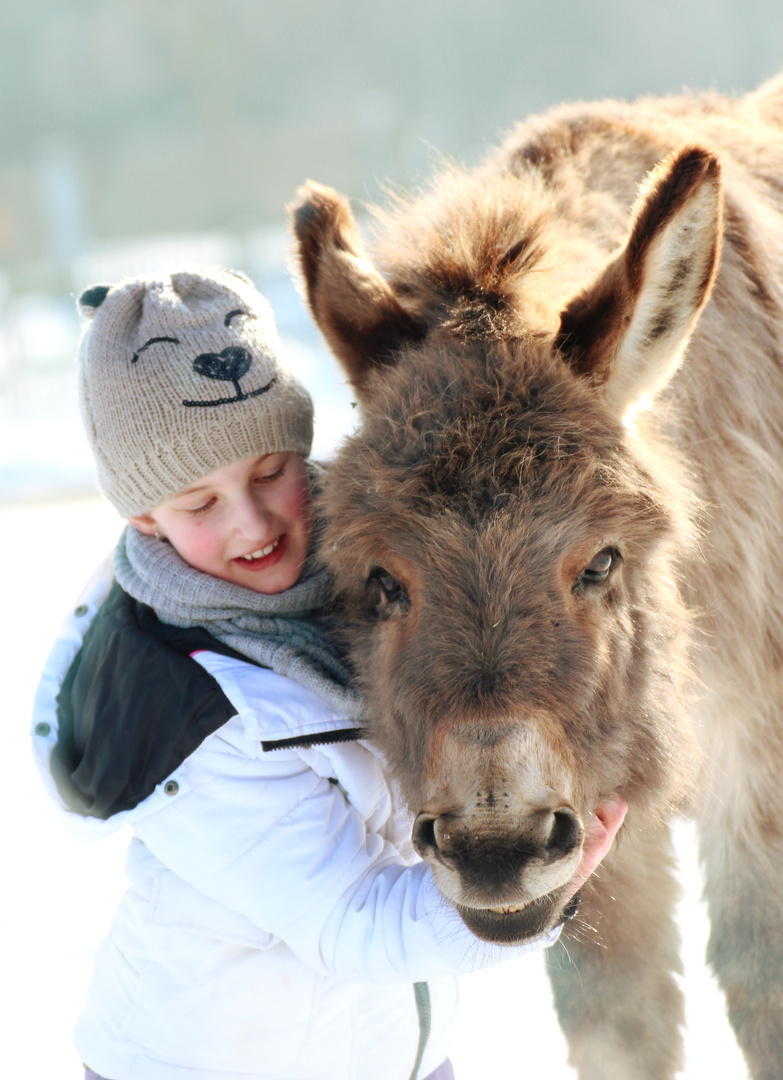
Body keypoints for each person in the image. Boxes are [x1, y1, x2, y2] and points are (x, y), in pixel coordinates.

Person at [32, 266, 626, 1080]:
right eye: (199, 505)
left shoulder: (365, 580)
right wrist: (542, 880)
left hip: (385, 1052)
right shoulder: (199, 717)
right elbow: (355, 926)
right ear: (143, 518)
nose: (252, 522)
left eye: (270, 470)